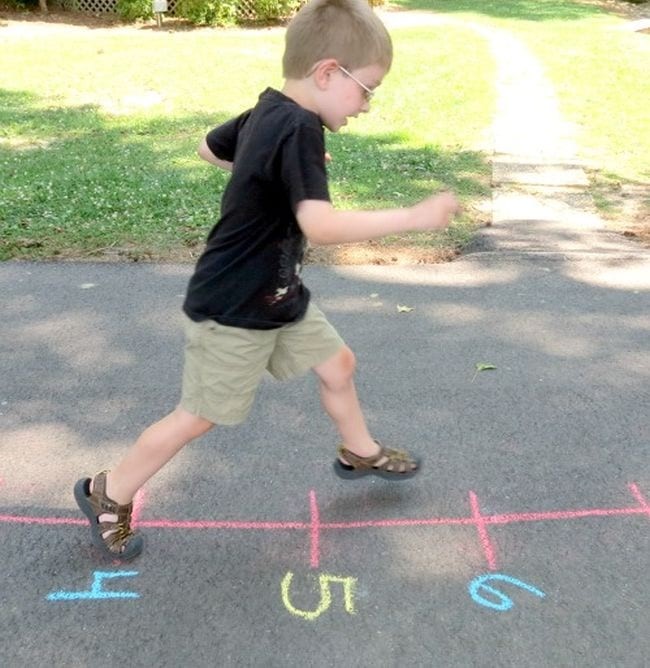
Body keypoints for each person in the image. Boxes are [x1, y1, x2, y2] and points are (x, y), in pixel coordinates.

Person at [74, 0, 459, 561]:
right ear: (328, 72)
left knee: (339, 364)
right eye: (367, 89)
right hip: (234, 304)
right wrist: (414, 217)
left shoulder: (268, 109)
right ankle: (108, 492)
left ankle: (359, 451)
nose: (367, 106)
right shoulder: (299, 128)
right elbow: (320, 226)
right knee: (198, 416)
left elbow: (210, 147)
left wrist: (260, 177)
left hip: (279, 293)